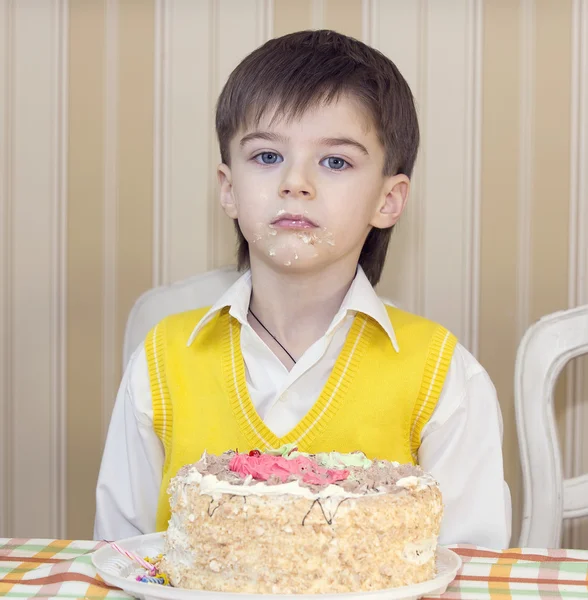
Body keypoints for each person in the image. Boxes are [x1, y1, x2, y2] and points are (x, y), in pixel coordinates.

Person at [94, 29, 511, 548]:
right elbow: (120, 555)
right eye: (267, 156)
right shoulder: (160, 363)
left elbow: (467, 567)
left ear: (389, 199)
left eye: (335, 161)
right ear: (228, 189)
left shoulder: (444, 378)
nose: (296, 181)